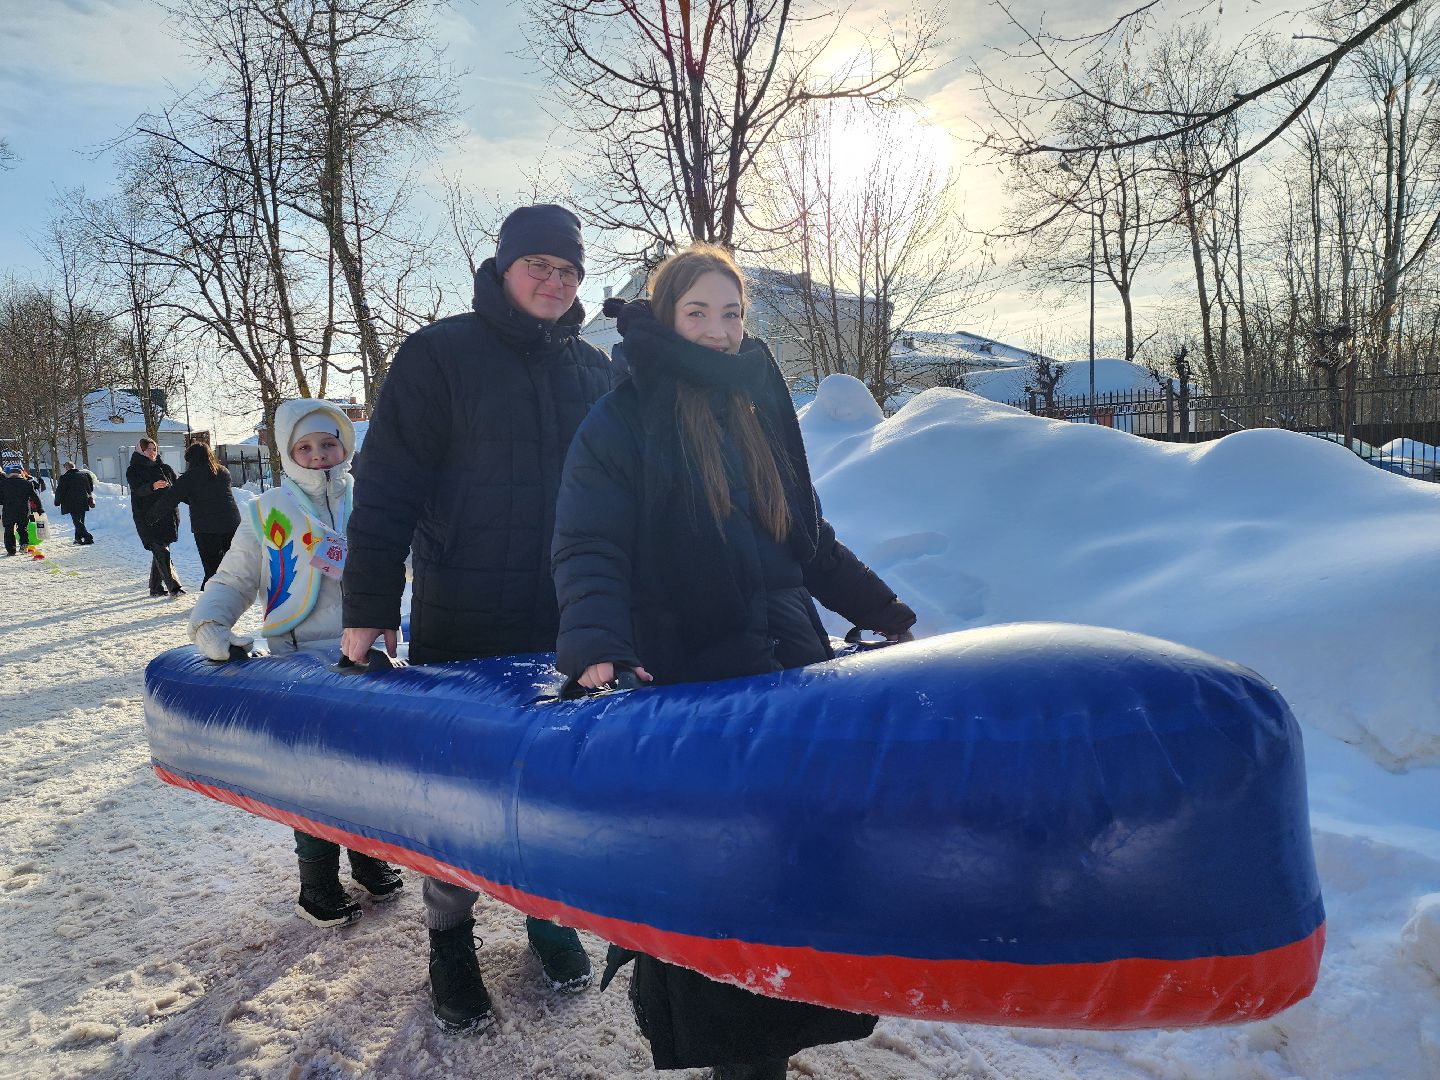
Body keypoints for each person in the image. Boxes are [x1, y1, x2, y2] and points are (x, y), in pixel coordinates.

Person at [550, 244, 918, 1080]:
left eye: (733, 312)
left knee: (795, 861)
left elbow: (808, 541)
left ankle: (775, 1049)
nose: (720, 331)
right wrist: (600, 645)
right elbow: (589, 545)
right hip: (693, 677)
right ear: (664, 314)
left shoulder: (759, 407)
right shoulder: (626, 417)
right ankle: (734, 1060)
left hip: (788, 667)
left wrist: (881, 610)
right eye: (699, 313)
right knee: (720, 874)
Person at [342, 204, 614, 1034]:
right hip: (464, 612)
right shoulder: (438, 355)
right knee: (458, 792)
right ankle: (450, 938)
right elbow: (386, 486)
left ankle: (546, 913)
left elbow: (623, 500)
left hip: (566, 619)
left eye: (568, 271)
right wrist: (367, 610)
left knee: (556, 784)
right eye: (539, 265)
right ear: (501, 269)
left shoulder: (595, 373)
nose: (555, 281)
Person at [189, 399, 405, 927]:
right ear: (286, 453)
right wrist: (209, 624)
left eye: (328, 443)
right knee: (312, 778)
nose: (317, 455)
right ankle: (316, 880)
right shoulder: (268, 513)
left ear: (345, 445)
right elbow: (234, 579)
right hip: (300, 663)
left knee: (367, 769)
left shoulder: (374, 501)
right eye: (303, 447)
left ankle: (368, 856)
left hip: (371, 660)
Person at [150, 443, 241, 586]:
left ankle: (211, 599)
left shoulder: (191, 476)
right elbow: (203, 496)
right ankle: (230, 595)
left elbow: (170, 499)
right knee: (230, 564)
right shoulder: (223, 471)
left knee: (212, 567)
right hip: (231, 524)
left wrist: (151, 517)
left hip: (206, 528)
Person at [126, 438, 184, 596]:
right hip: (148, 516)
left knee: (160, 551)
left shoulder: (165, 468)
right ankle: (175, 587)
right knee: (161, 550)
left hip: (168, 515)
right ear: (141, 451)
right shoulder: (134, 470)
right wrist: (152, 486)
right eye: (149, 449)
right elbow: (137, 490)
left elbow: (178, 487)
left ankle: (155, 588)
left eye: (155, 449)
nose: (153, 452)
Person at [53, 462, 96, 544]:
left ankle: (88, 537)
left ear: (66, 468)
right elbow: (90, 488)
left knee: (76, 521)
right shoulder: (84, 475)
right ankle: (78, 538)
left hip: (71, 502)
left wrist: (57, 501)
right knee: (80, 520)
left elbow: (60, 491)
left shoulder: (64, 477)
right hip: (83, 501)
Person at [2, 465, 36, 556]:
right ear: (20, 474)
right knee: (23, 529)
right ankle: (24, 545)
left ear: (10, 474)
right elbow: (34, 497)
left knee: (9, 530)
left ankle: (11, 550)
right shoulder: (27, 483)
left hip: (8, 511)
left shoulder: (3, 483)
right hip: (23, 511)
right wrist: (39, 508)